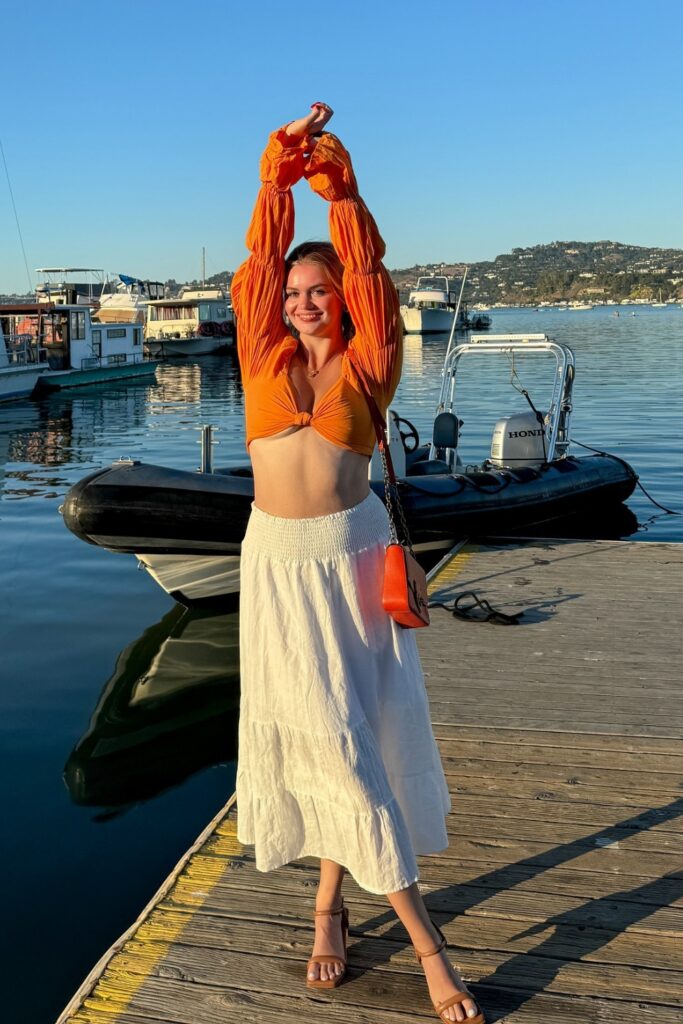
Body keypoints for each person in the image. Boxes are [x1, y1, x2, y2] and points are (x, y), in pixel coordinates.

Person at [231, 102, 485, 1024]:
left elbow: (372, 272)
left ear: (339, 299)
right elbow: (257, 267)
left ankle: (341, 912)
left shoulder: (371, 361)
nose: (302, 303)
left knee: (355, 741)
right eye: (294, 293)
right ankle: (403, 938)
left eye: (317, 292)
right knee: (331, 742)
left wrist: (343, 194)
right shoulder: (260, 353)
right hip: (276, 571)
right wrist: (275, 183)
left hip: (346, 565)